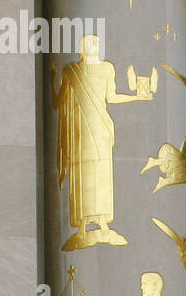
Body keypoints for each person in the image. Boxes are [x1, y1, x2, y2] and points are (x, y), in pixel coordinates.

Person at [51, 32, 152, 249]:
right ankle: (82, 228)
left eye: (96, 42)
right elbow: (59, 101)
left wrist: (137, 96)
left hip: (100, 128)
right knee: (81, 178)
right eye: (89, 42)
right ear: (82, 47)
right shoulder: (71, 70)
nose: (94, 44)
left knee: (102, 176)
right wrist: (52, 80)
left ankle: (104, 225)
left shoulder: (107, 68)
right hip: (80, 132)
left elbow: (112, 97)